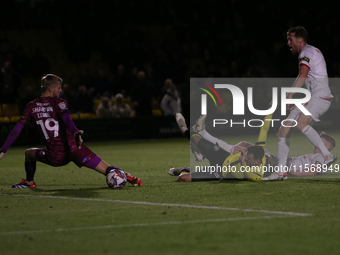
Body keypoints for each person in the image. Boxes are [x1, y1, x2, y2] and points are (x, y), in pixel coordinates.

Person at [0, 74, 142, 188]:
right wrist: (75, 132)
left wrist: (3, 150)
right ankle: (123, 174)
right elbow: (67, 118)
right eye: (59, 88)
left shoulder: (31, 106)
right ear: (51, 89)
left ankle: (29, 182)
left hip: (55, 155)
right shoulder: (59, 102)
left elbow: (17, 129)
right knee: (106, 168)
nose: (60, 90)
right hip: (75, 149)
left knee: (28, 153)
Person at [171, 114, 336, 180]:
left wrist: (290, 172)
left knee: (240, 148)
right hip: (275, 162)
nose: (317, 143)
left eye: (320, 142)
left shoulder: (321, 156)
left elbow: (314, 170)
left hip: (276, 165)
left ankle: (192, 141)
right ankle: (193, 138)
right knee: (243, 145)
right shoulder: (254, 164)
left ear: (327, 145)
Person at [267, 26, 336, 180]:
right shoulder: (311, 52)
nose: (288, 43)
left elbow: (303, 74)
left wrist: (288, 96)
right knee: (284, 130)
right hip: (313, 97)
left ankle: (327, 155)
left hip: (321, 98)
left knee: (300, 123)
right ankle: (280, 172)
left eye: (290, 39)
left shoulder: (306, 52)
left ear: (300, 40)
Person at [173, 113, 268, 182]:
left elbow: (250, 176)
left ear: (257, 162)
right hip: (222, 156)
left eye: (248, 158)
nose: (244, 158)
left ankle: (184, 170)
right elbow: (264, 130)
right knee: (195, 138)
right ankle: (183, 128)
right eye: (246, 155)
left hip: (219, 172)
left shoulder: (257, 175)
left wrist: (243, 163)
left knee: (182, 178)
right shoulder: (260, 154)